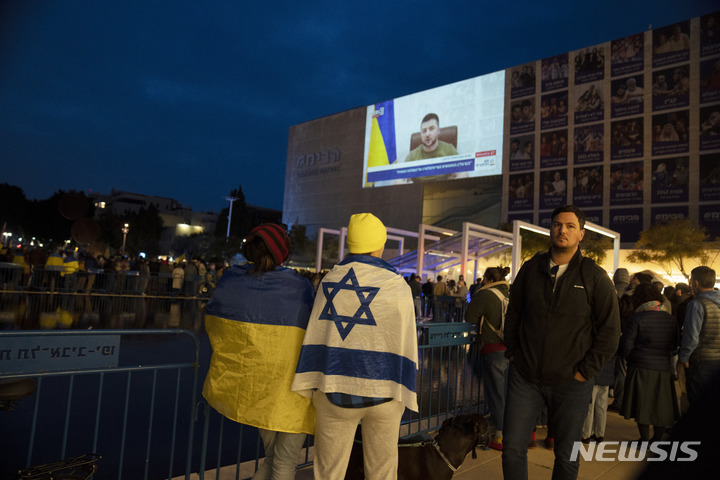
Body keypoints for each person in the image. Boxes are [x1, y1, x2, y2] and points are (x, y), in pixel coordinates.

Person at [291, 213, 419, 480]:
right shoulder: (398, 286)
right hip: (385, 391)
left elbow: (319, 332)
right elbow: (405, 338)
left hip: (335, 388)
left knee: (329, 473)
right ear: (380, 244)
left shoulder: (329, 282)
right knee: (382, 472)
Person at [502, 205, 620, 480]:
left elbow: (610, 331)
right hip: (526, 377)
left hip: (572, 381)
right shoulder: (531, 269)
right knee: (512, 449)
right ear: (550, 229)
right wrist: (514, 354)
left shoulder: (594, 276)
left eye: (569, 226)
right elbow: (514, 313)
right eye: (557, 224)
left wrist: (584, 371)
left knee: (566, 456)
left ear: (581, 234)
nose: (562, 230)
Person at [202, 223, 315, 480]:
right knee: (284, 463)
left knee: (273, 457)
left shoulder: (232, 280)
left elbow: (213, 321)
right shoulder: (299, 287)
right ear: (282, 251)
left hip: (256, 388)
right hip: (291, 386)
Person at [619, 283, 679, 443]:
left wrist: (627, 357)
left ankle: (644, 439)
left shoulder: (637, 318)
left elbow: (626, 345)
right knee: (661, 405)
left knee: (642, 405)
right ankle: (657, 439)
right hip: (663, 368)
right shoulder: (671, 320)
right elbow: (674, 346)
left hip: (640, 366)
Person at [464, 266, 511, 451]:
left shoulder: (486, 295)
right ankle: (509, 431)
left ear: (488, 279)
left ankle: (499, 437)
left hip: (492, 349)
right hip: (509, 350)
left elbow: (469, 316)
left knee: (495, 395)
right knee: (506, 393)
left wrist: (480, 293)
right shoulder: (509, 294)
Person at [678, 266, 720, 408]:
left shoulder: (697, 304)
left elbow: (691, 336)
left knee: (697, 403)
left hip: (701, 361)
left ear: (695, 283)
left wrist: (684, 357)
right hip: (717, 360)